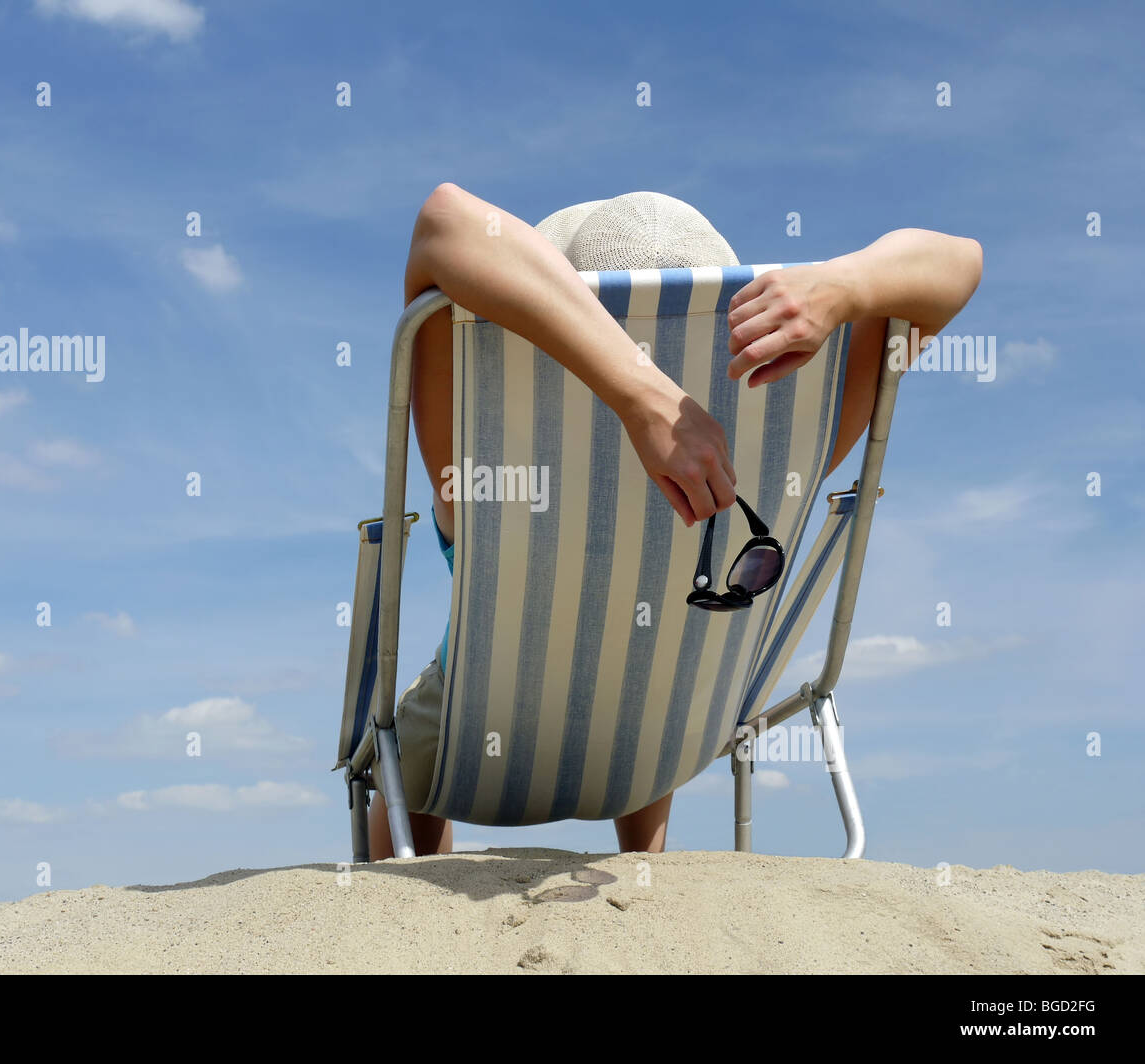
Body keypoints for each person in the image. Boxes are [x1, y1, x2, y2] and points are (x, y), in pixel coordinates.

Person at [369, 183, 983, 861]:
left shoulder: (483, 452)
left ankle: (402, 894)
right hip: (662, 752)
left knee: (416, 748)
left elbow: (442, 223)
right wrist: (843, 286)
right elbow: (960, 263)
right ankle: (647, 869)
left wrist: (637, 393)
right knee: (651, 664)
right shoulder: (783, 446)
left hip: (470, 755)